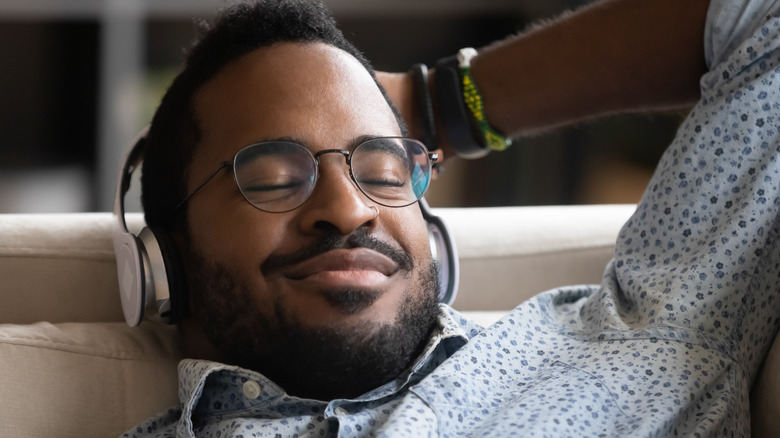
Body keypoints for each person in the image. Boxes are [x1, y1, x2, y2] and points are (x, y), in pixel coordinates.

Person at [122, 0, 780, 436]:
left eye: (380, 168)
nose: (349, 209)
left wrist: (439, 102)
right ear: (166, 260)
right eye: (271, 176)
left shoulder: (646, 339)